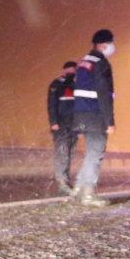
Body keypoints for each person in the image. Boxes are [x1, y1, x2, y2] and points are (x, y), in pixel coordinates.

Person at [72, 29, 116, 206]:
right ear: (104, 44)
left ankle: (78, 189)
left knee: (91, 154)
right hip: (95, 114)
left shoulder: (84, 61)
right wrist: (109, 121)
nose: (113, 47)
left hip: (80, 113)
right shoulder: (101, 63)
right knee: (96, 154)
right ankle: (88, 194)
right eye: (111, 43)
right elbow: (104, 94)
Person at [47, 61, 77, 195]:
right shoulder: (56, 84)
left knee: (69, 154)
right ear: (64, 70)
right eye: (69, 70)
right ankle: (61, 181)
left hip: (73, 126)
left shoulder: (76, 85)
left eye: (74, 70)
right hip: (60, 125)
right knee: (62, 153)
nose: (72, 72)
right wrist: (53, 122)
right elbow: (52, 104)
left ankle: (66, 180)